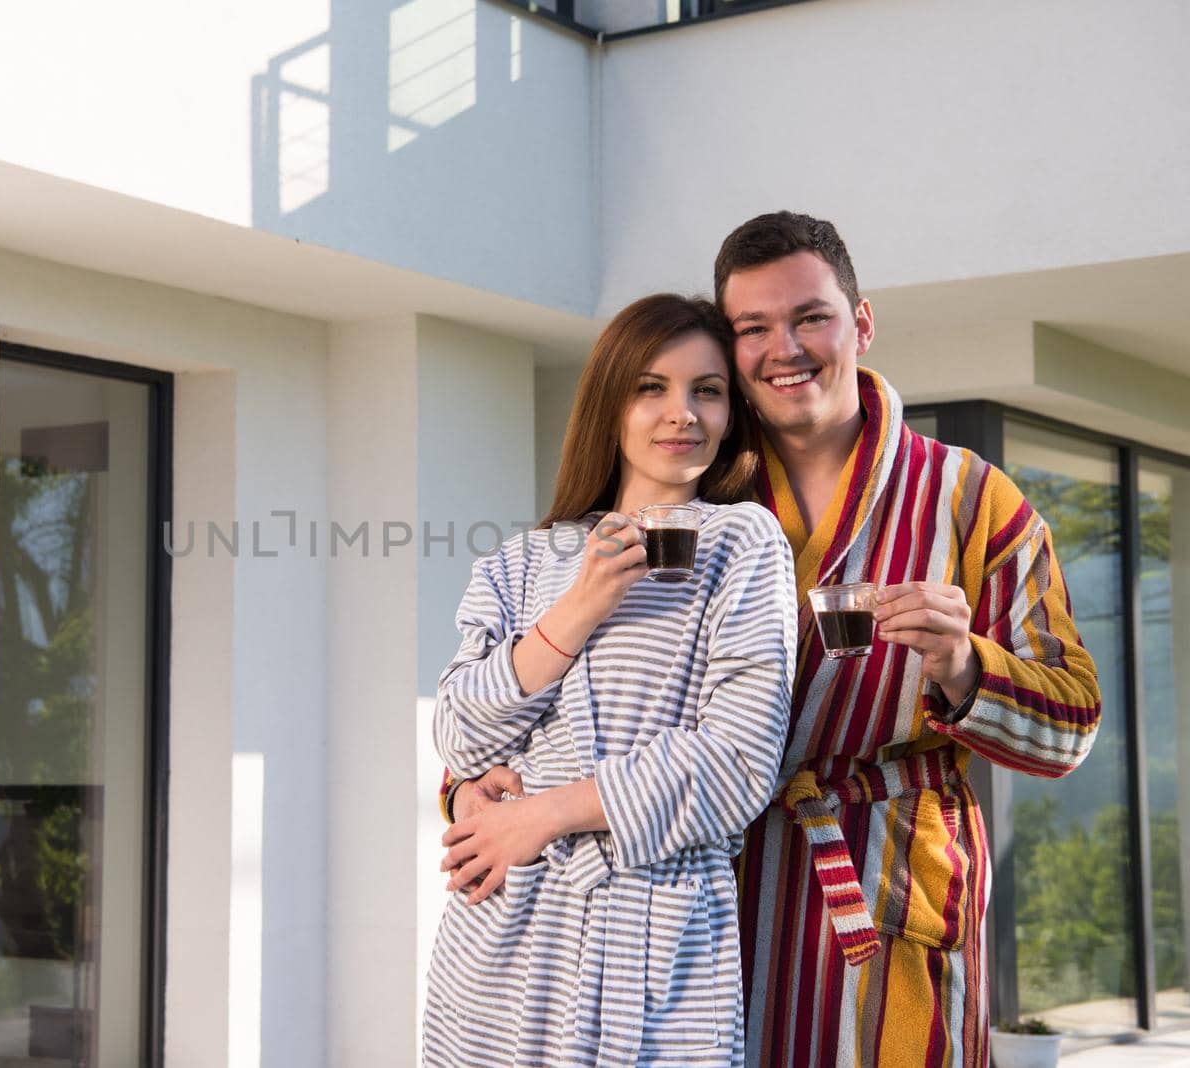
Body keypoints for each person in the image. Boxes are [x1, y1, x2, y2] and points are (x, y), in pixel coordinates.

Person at [448, 213, 1102, 1067]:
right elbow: (569, 690)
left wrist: (962, 663)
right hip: (698, 886)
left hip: (886, 883)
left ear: (860, 323)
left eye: (810, 318)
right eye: (752, 328)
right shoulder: (697, 482)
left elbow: (1074, 723)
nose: (782, 348)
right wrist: (467, 789)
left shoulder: (972, 501)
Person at [425, 294, 797, 1067]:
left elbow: (740, 759)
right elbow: (459, 735)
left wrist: (544, 814)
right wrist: (585, 602)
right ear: (610, 402)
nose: (682, 414)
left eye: (708, 390)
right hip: (502, 930)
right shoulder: (522, 563)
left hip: (655, 935)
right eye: (651, 387)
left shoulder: (742, 541)